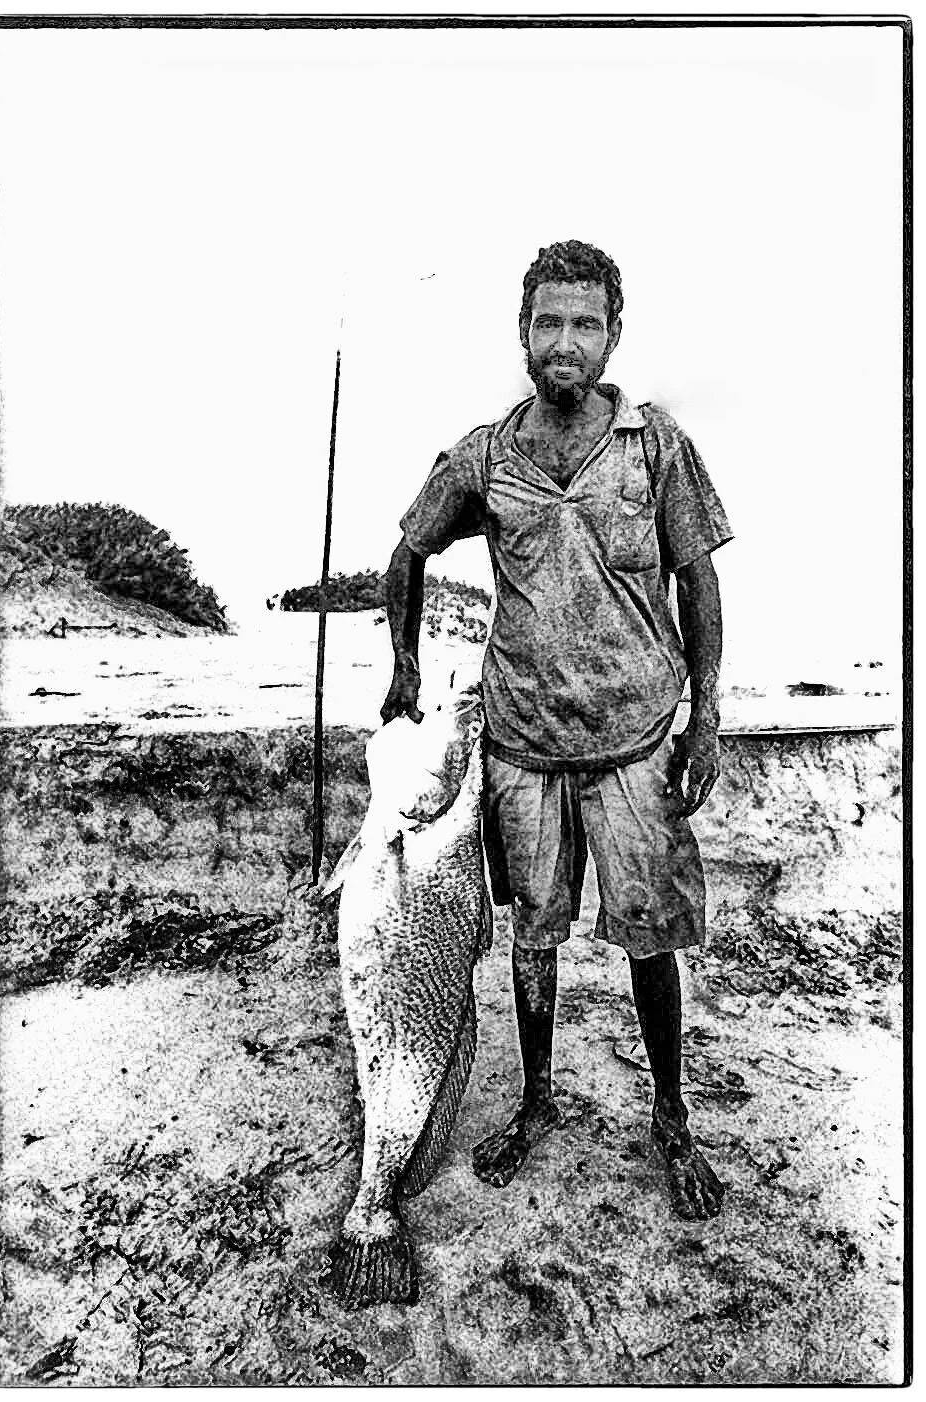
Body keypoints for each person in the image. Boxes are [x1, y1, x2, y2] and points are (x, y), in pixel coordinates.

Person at [381, 240, 733, 1221]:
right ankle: (537, 1099)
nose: (564, 341)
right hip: (523, 746)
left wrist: (706, 711)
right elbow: (405, 551)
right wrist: (405, 667)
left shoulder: (654, 445)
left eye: (583, 322)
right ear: (523, 334)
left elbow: (699, 580)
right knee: (531, 936)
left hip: (633, 744)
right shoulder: (487, 455)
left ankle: (669, 1113)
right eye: (547, 322)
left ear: (612, 333)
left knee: (648, 936)